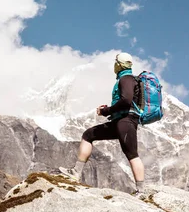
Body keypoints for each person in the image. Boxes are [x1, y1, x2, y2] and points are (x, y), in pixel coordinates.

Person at [59, 52, 146, 198]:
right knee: (88, 135)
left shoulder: (125, 79)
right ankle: (76, 172)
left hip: (125, 122)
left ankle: (142, 191)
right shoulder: (128, 79)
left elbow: (126, 100)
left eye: (115, 62)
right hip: (122, 121)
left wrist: (106, 110)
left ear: (118, 64)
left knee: (132, 154)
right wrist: (108, 110)